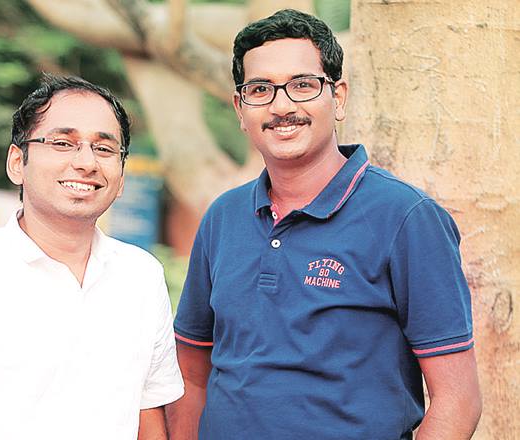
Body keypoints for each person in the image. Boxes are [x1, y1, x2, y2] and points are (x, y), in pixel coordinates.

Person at [167, 9, 481, 440]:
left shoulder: (406, 218)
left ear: (339, 98)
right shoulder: (223, 216)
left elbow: (457, 399)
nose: (281, 106)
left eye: (302, 85)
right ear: (240, 109)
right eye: (260, 89)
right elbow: (191, 374)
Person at [0, 74, 184, 440]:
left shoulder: (141, 277)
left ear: (121, 178)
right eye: (63, 143)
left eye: (104, 149)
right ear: (16, 163)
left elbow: (149, 419)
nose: (86, 162)